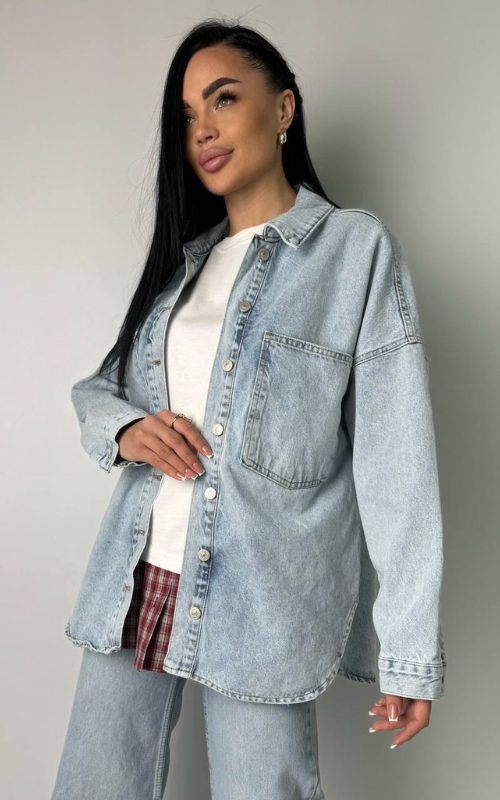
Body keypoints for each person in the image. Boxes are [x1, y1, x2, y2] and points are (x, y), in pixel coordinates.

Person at [52, 17, 447, 800]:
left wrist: (409, 655)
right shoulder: (184, 271)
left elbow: (396, 464)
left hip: (265, 600)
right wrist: (127, 430)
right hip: (137, 575)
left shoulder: (353, 252)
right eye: (187, 116)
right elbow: (99, 388)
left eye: (223, 99)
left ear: (284, 109)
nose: (202, 130)